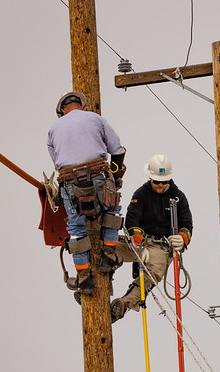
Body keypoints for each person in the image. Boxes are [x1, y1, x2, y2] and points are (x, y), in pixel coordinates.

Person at [47, 92, 126, 295]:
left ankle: (83, 276)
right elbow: (117, 149)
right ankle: (108, 255)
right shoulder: (95, 118)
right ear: (82, 105)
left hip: (69, 180)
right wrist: (115, 173)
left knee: (75, 227)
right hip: (98, 174)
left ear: (62, 110)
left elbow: (57, 163)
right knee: (111, 210)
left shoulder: (53, 129)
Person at [110, 155, 193, 322]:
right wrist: (137, 239)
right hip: (138, 241)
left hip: (160, 246)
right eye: (157, 182)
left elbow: (187, 223)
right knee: (109, 250)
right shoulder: (141, 194)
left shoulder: (178, 198)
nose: (160, 185)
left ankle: (123, 305)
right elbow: (132, 219)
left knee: (153, 271)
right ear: (150, 178)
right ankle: (93, 285)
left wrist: (183, 238)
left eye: (164, 181)